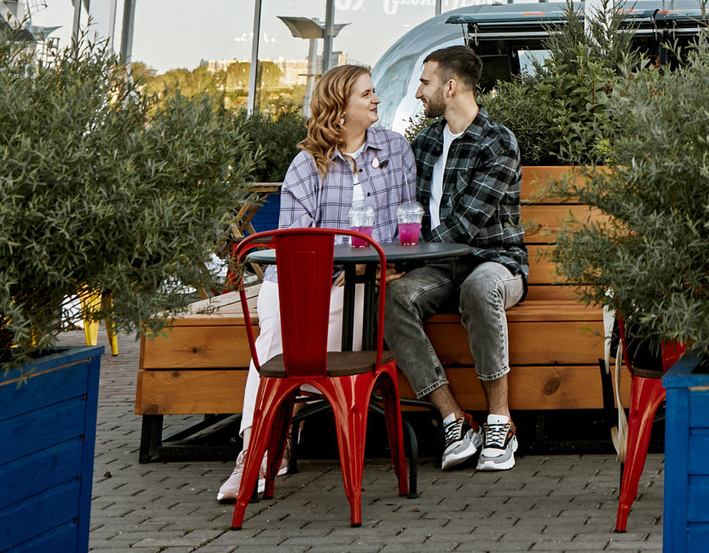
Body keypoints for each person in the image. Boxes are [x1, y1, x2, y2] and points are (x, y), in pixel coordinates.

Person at [219, 64, 414, 504]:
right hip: (305, 283)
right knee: (274, 326)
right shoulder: (307, 165)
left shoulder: (396, 150)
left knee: (280, 343)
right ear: (340, 107)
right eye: (367, 94)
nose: (376, 100)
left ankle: (266, 450)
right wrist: (328, 272)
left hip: (364, 282)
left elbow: (407, 219)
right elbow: (294, 244)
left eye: (374, 92)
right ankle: (257, 451)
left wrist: (389, 262)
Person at [384, 45, 527, 475]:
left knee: (479, 288)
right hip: (441, 268)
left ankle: (499, 422)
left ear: (449, 86)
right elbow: (408, 209)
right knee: (393, 296)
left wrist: (408, 259)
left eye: (424, 83)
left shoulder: (497, 141)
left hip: (497, 262)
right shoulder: (426, 141)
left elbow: (466, 225)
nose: (418, 94)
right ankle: (452, 419)